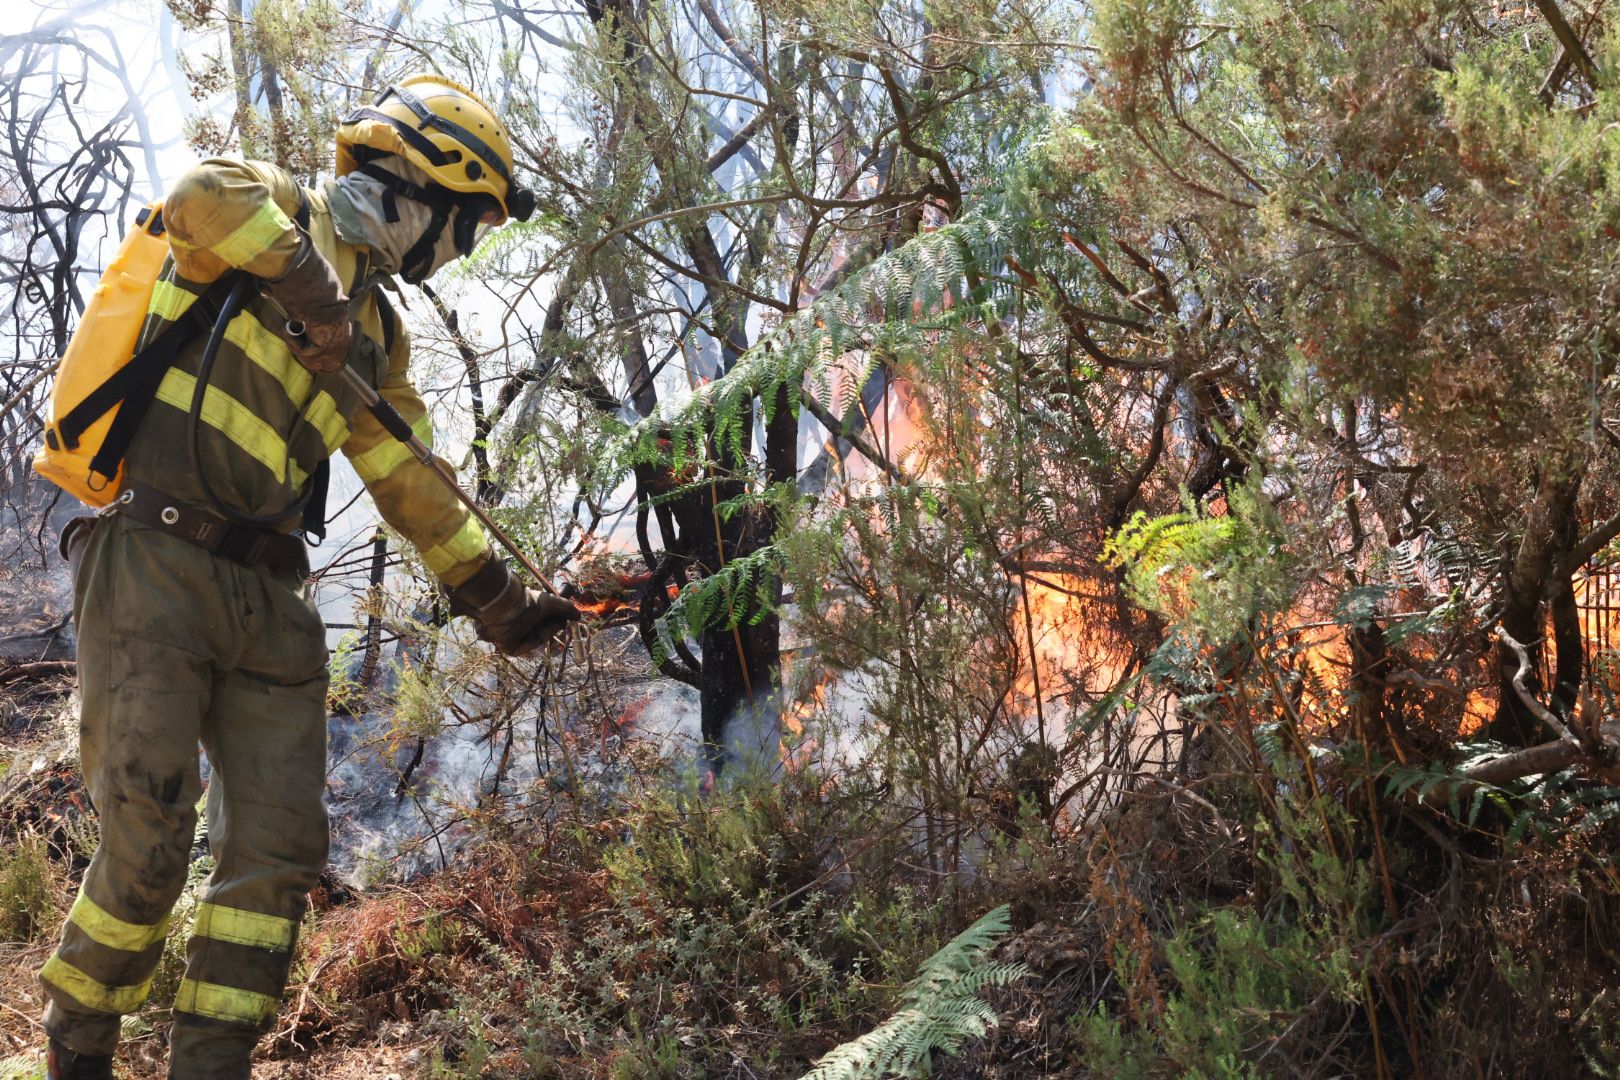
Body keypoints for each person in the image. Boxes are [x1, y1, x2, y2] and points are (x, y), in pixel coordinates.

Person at [38, 75, 577, 1080]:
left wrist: (500, 602)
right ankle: (77, 1053)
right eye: (466, 227)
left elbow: (411, 480)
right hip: (154, 564)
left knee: (276, 858)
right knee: (149, 839)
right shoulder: (278, 209)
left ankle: (212, 1064)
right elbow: (199, 193)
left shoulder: (380, 338)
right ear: (427, 185)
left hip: (273, 605)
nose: (459, 254)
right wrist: (308, 291)